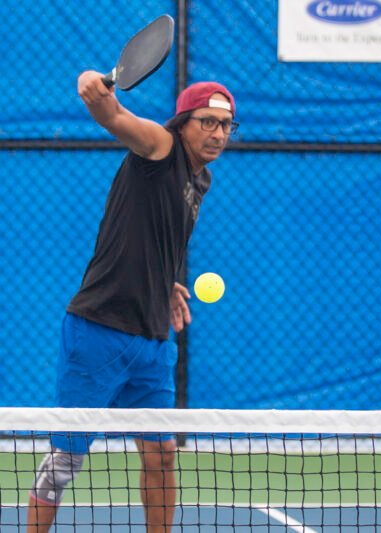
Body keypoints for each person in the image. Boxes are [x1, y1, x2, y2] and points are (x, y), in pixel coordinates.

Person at [26, 73, 237, 533]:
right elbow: (117, 117)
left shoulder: (202, 180)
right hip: (98, 331)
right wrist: (95, 93)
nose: (218, 133)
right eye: (208, 122)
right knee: (65, 461)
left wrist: (166, 284)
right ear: (183, 122)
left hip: (154, 343)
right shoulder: (160, 147)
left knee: (162, 455)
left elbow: (162, 235)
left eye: (227, 125)